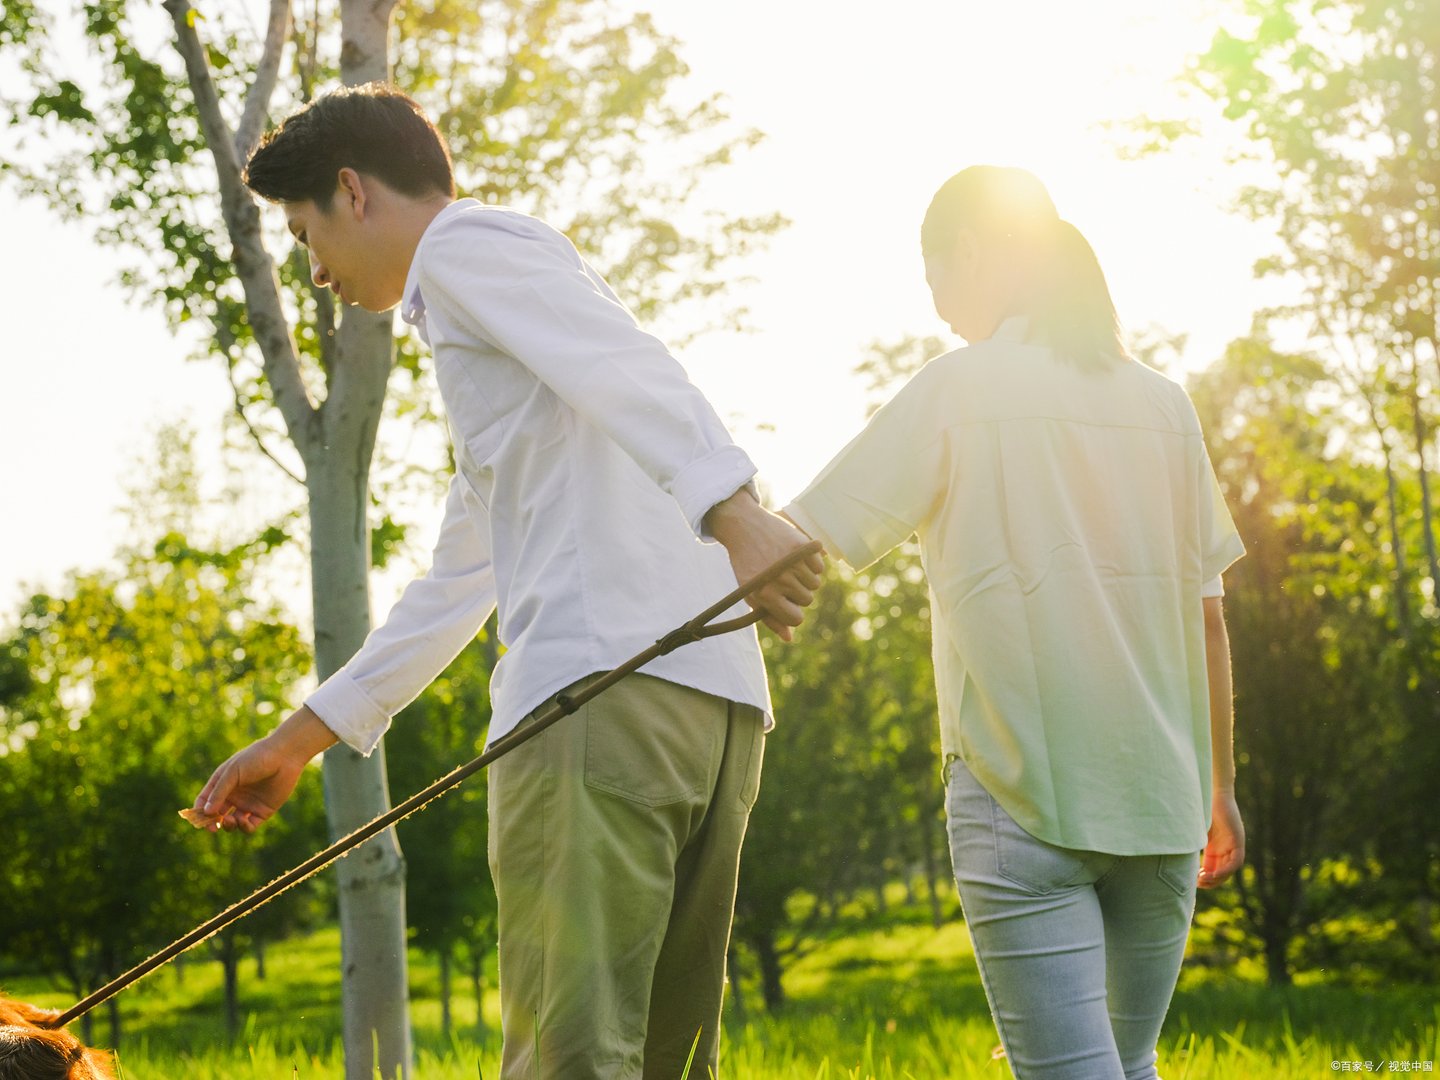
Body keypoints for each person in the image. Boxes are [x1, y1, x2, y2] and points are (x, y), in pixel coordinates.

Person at [191, 82, 822, 1080]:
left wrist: (734, 510)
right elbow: (462, 569)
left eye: (309, 233)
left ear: (352, 192)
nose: (316, 271)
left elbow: (629, 363)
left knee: (569, 1062)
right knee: (664, 1065)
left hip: (596, 706)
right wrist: (304, 737)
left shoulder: (463, 247)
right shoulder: (512, 356)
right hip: (712, 714)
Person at [778, 166, 1247, 1079]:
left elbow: (804, 533)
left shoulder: (960, 387)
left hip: (1020, 794)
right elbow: (1209, 622)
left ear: (971, 252)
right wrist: (1220, 789)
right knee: (1131, 1064)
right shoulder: (1166, 407)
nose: (942, 309)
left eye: (934, 280)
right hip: (1163, 804)